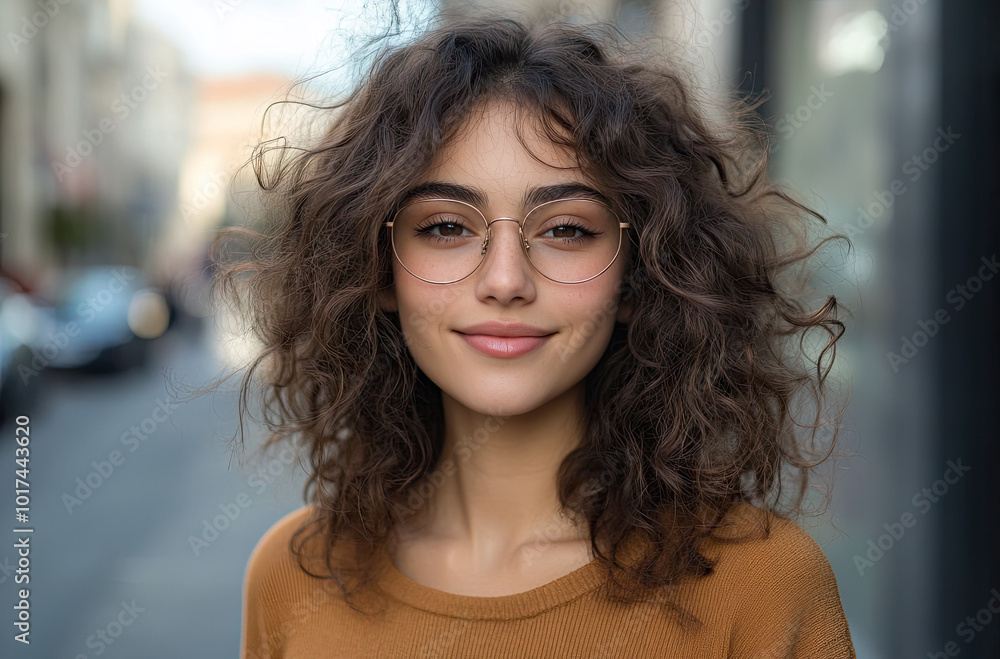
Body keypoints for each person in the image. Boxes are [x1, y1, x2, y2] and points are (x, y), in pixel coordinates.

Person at [219, 10, 856, 658]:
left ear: (639, 274)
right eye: (445, 226)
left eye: (566, 229)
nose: (504, 280)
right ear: (378, 269)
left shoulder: (764, 585)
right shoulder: (293, 578)